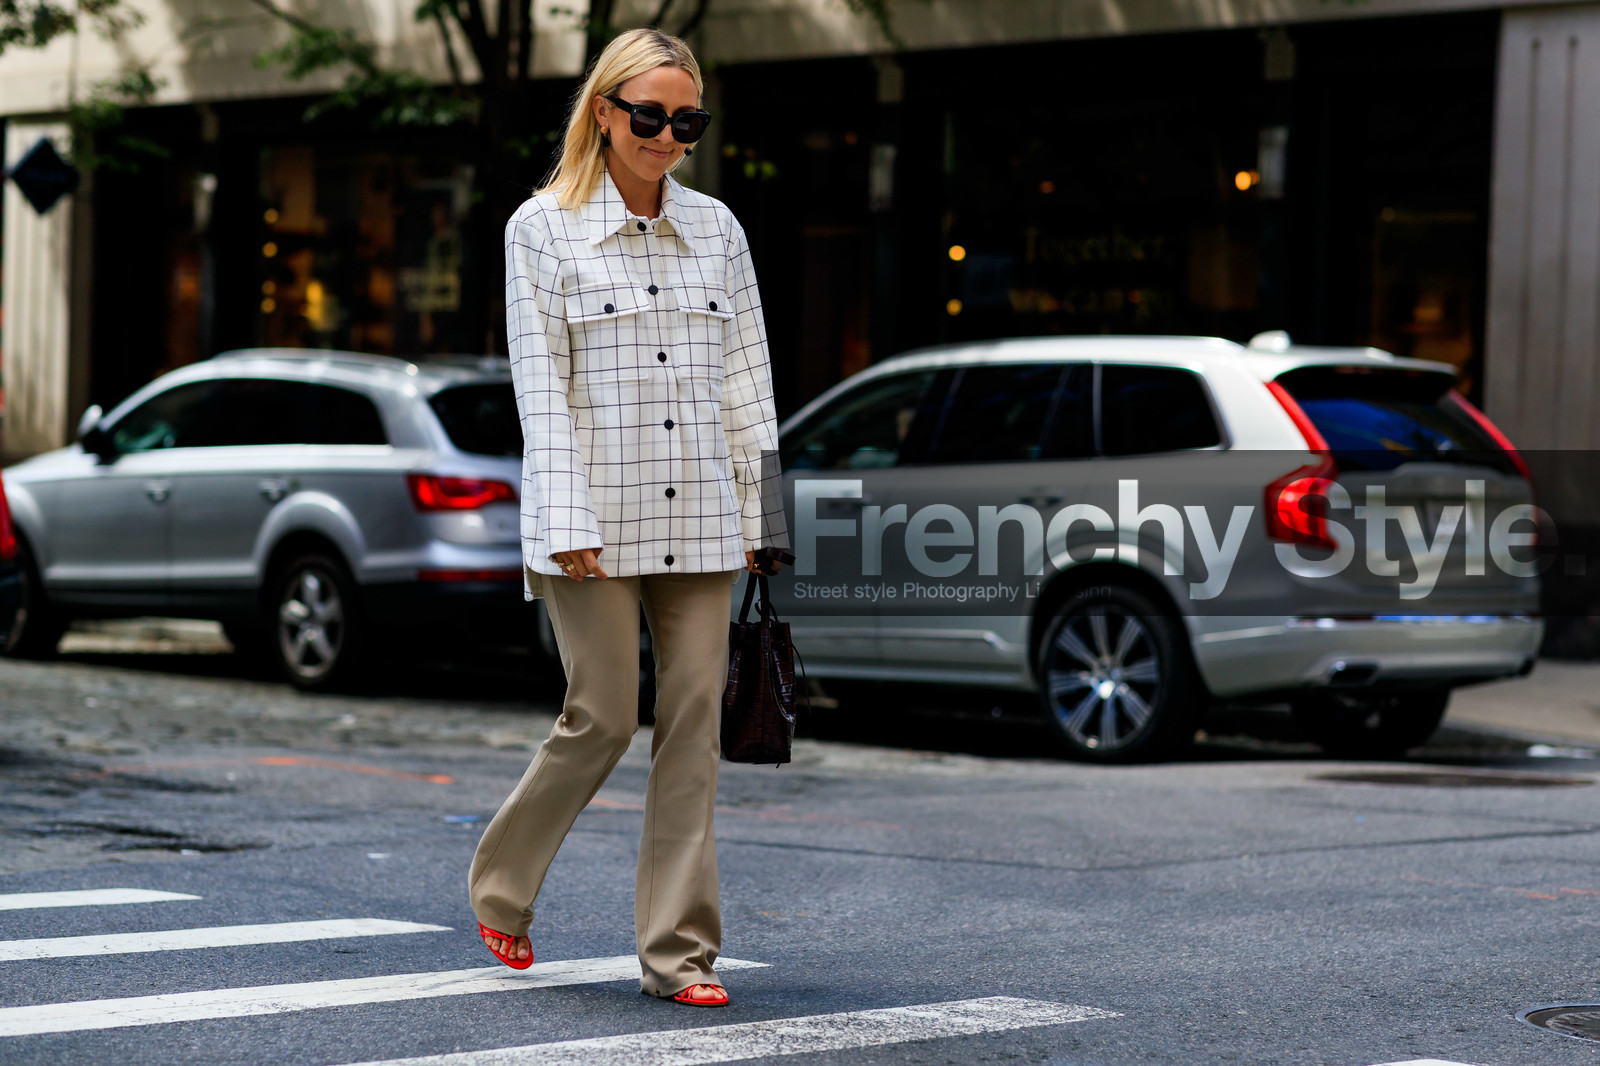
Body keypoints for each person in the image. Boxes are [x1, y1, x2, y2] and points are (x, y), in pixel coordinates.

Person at [466, 27, 789, 1008]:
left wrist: (764, 515)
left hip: (700, 512)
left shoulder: (719, 230)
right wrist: (561, 511)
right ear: (604, 111)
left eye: (684, 120)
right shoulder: (541, 229)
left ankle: (679, 954)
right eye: (647, 115)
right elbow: (541, 387)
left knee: (690, 728)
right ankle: (502, 883)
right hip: (590, 517)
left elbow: (748, 383)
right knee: (600, 714)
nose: (665, 135)